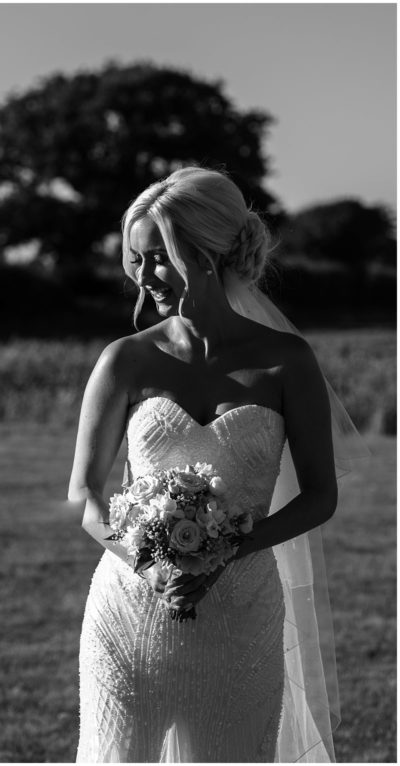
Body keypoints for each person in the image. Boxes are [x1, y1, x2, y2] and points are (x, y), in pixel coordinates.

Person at [67, 167, 363, 762]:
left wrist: (232, 548)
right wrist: (147, 565)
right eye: (135, 259)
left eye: (159, 257)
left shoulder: (287, 363)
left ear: (208, 253)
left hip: (242, 615)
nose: (143, 275)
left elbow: (318, 496)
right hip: (128, 611)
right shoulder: (126, 359)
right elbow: (84, 496)